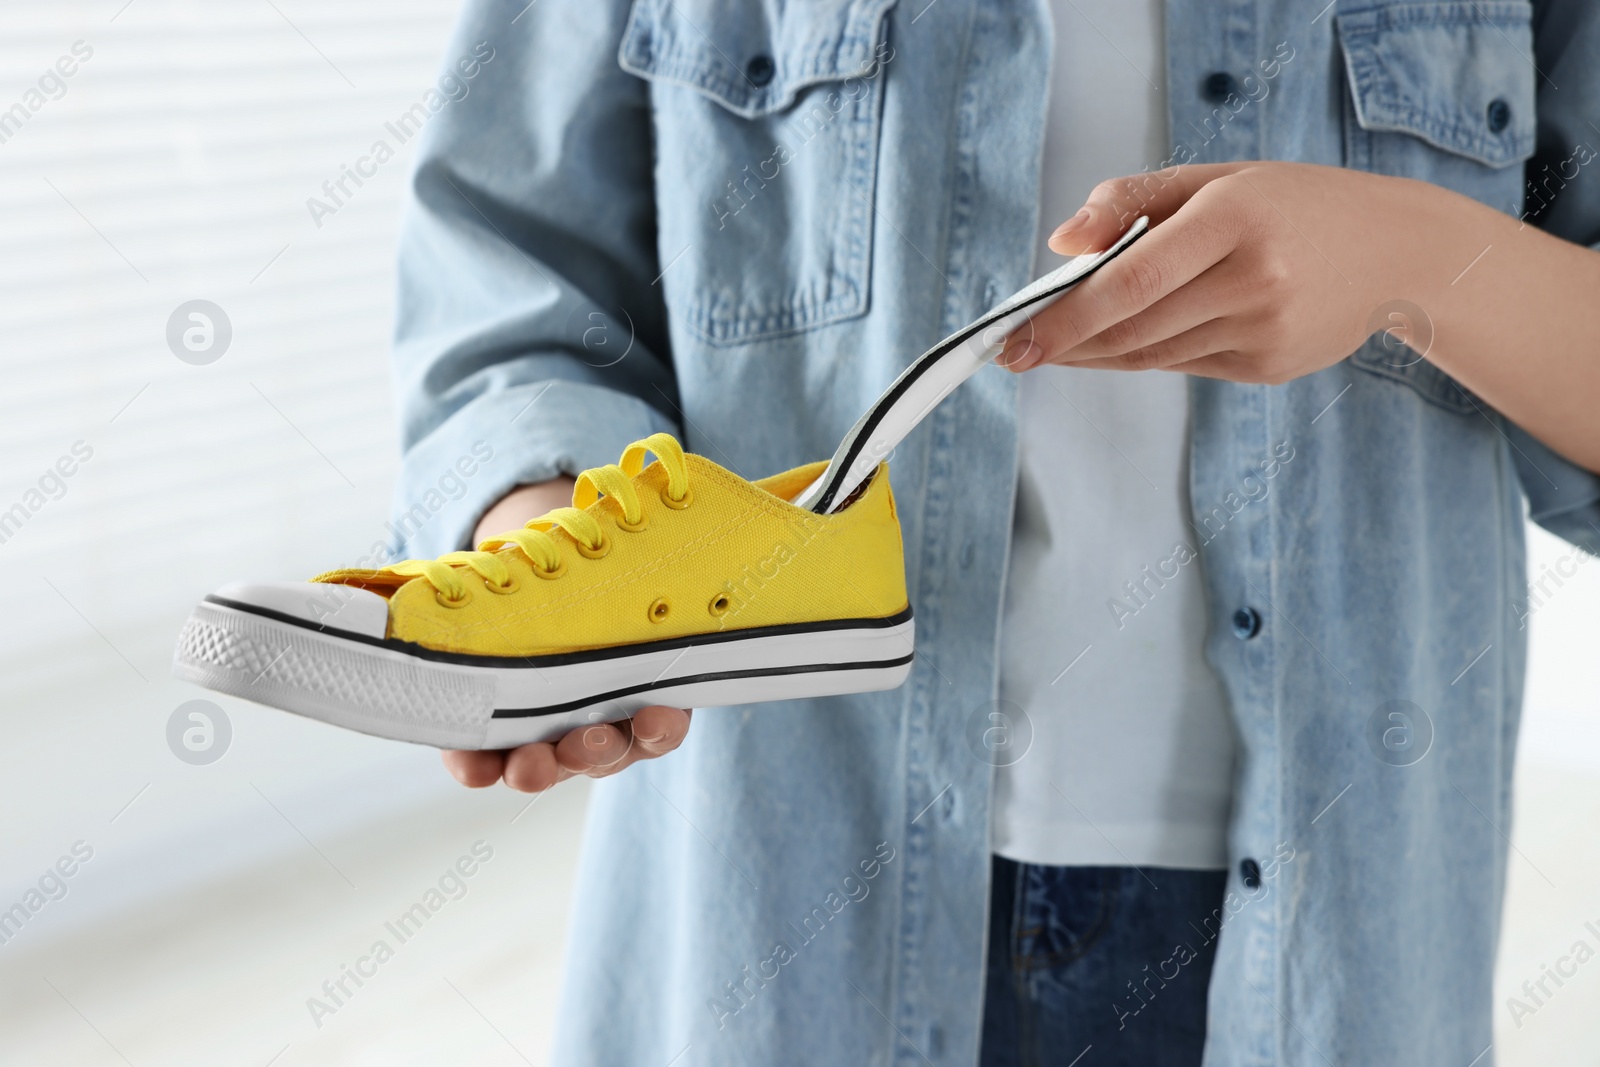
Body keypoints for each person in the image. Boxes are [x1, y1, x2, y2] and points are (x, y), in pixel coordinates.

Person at [388, 0, 1600, 1062]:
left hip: (1332, 939)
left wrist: (1422, 261)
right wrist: (542, 536)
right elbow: (506, 276)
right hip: (776, 895)